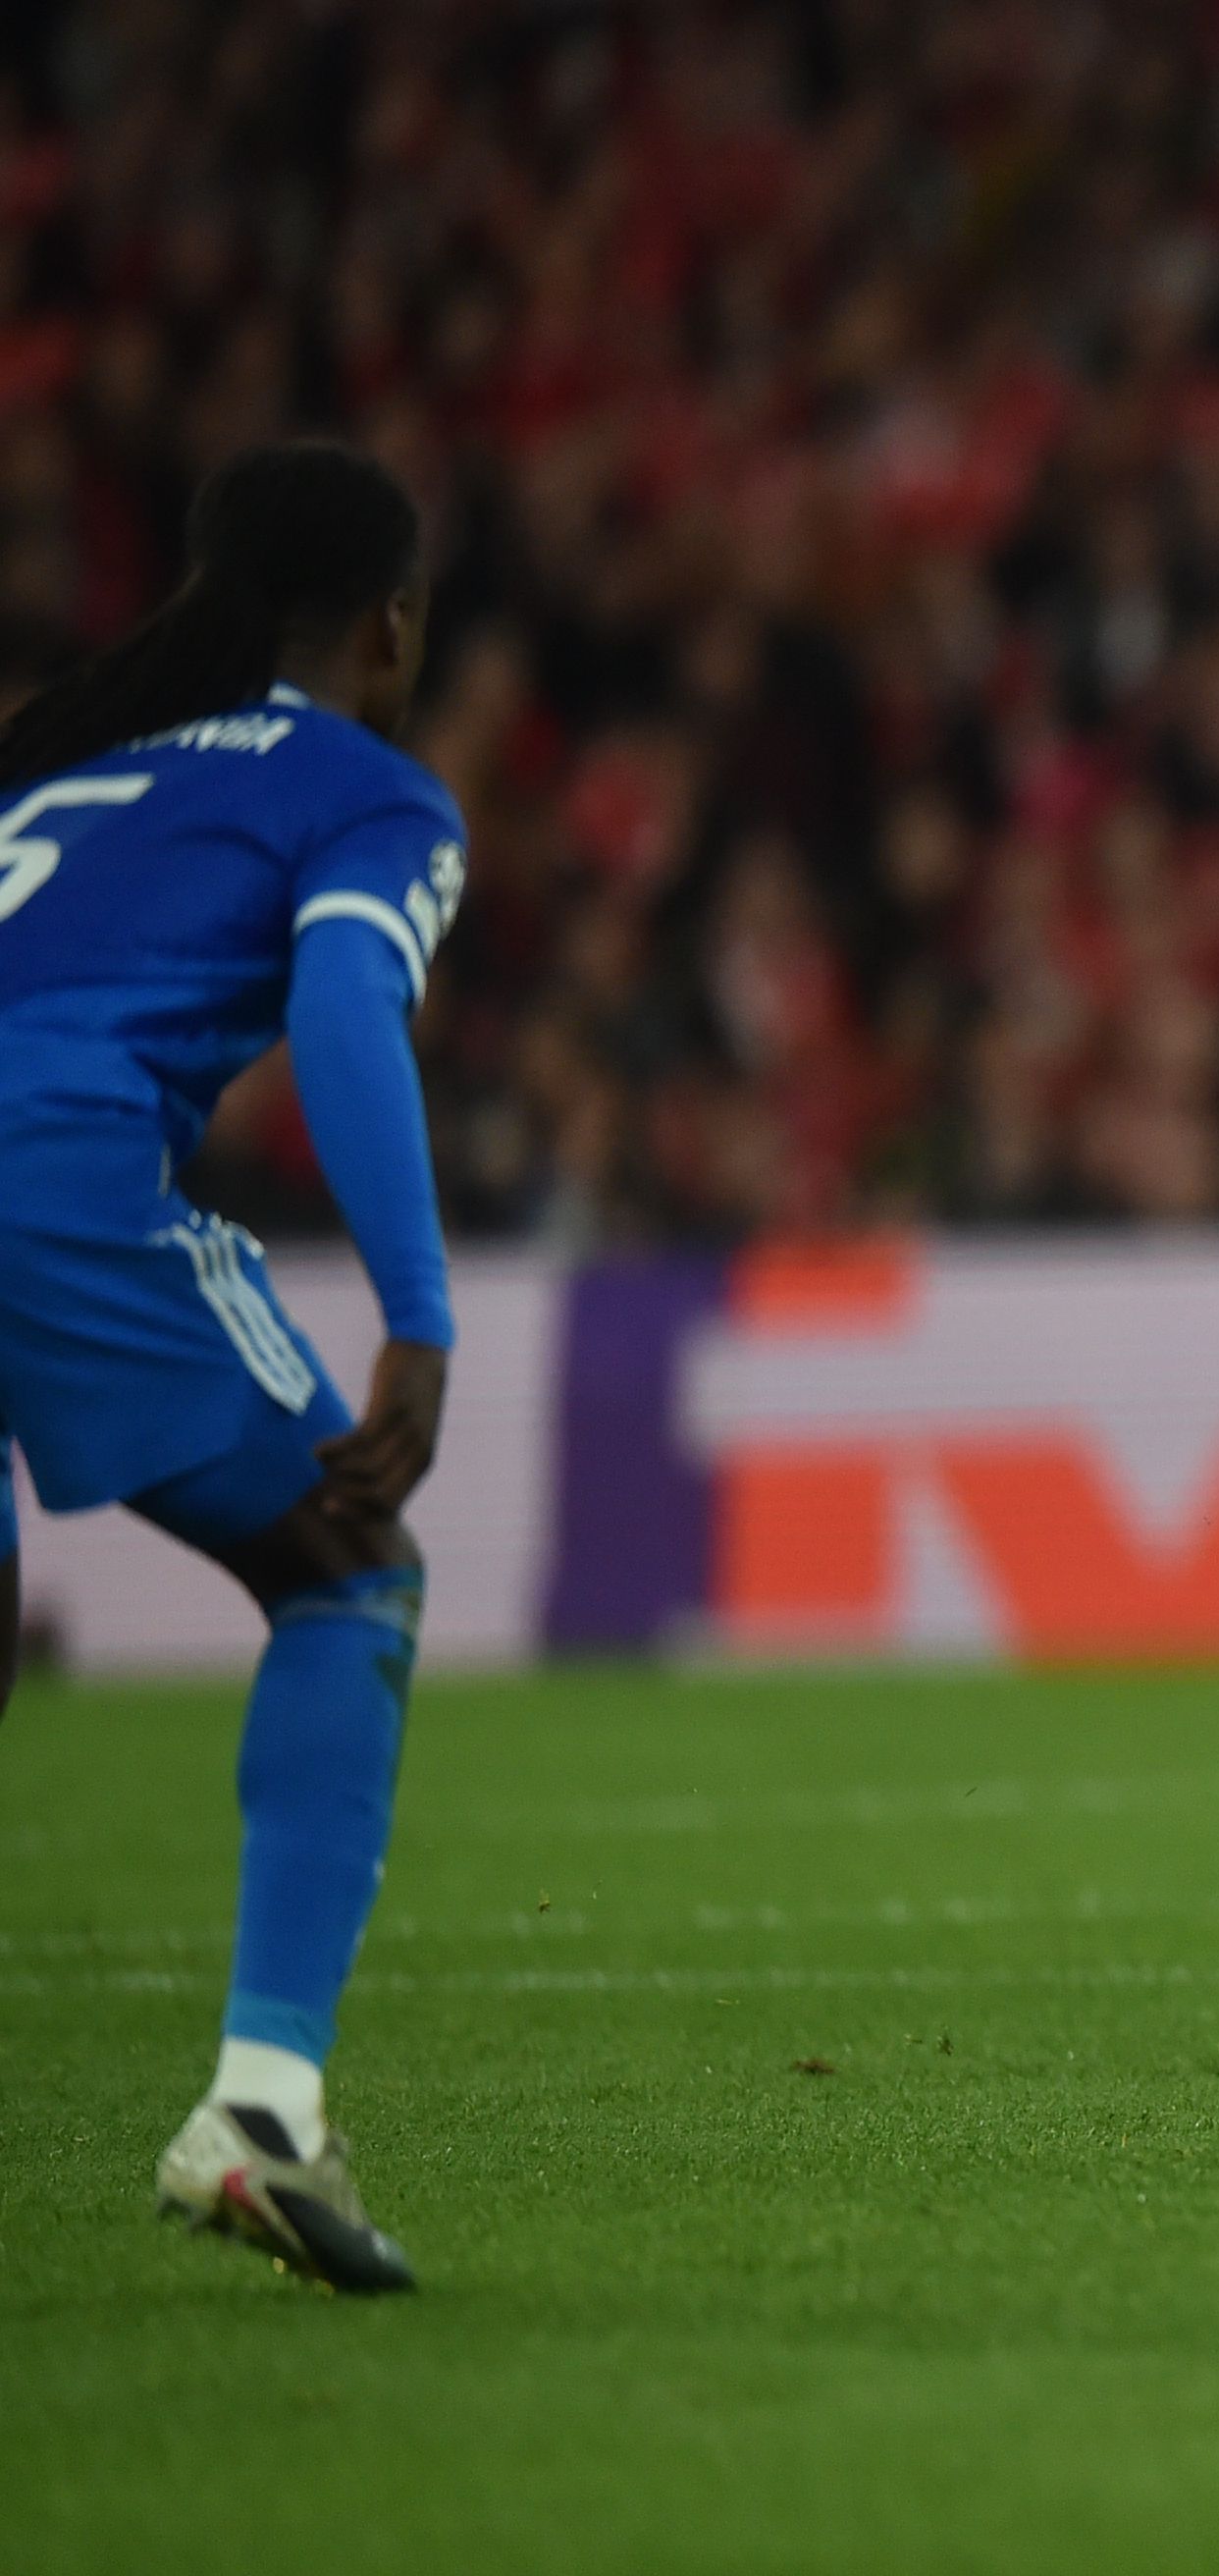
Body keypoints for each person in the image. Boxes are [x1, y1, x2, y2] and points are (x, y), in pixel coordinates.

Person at [0, 441, 469, 2285]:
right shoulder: (367, 794)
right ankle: (263, 2110)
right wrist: (416, 1314)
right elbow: (351, 1006)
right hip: (43, 1166)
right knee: (351, 1573)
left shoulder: (61, 765)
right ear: (392, 622)